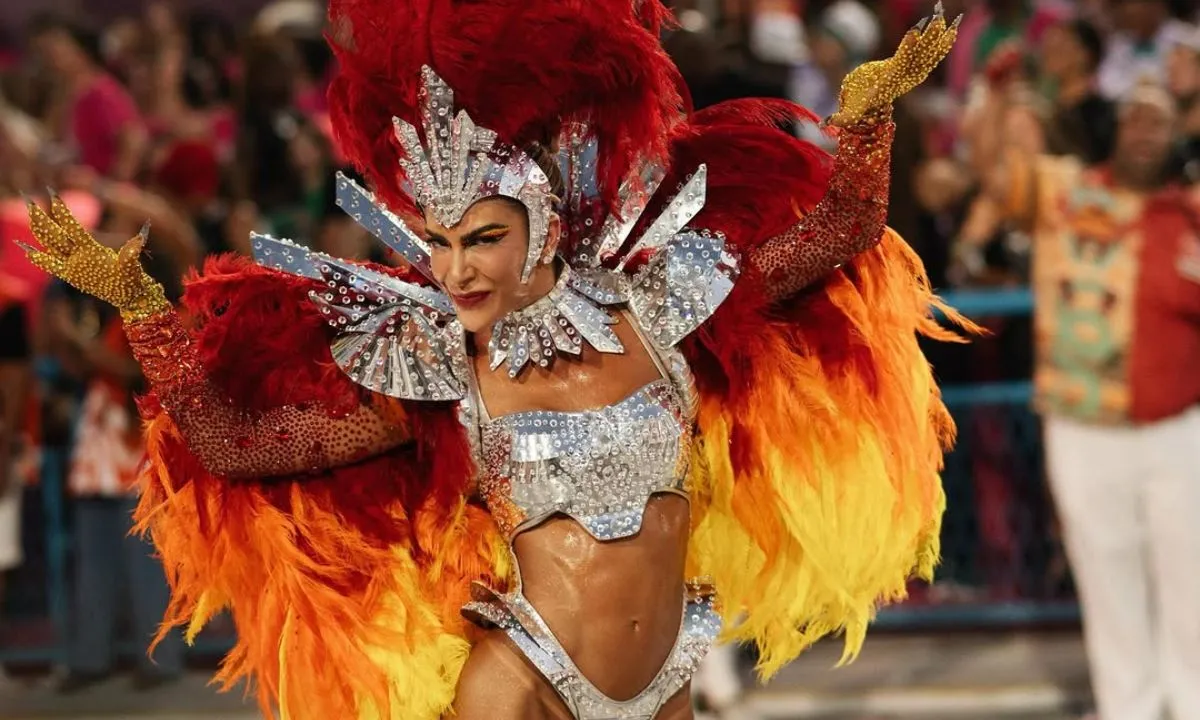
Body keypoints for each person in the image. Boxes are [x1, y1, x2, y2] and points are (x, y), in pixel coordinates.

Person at [19, 1, 967, 718]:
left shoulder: (659, 307)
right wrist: (141, 309)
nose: (455, 270)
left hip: (668, 675)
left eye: (482, 240)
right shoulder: (439, 369)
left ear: (541, 230)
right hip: (526, 682)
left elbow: (839, 229)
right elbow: (239, 446)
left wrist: (867, 115)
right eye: (439, 244)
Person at [971, 79, 1200, 720]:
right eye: (1135, 118)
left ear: (1177, 136)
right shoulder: (1064, 191)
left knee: (1192, 580)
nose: (1145, 131)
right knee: (1106, 577)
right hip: (1082, 425)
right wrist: (993, 101)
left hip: (1179, 429)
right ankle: (1128, 708)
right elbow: (992, 174)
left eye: (1159, 121)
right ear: (1117, 130)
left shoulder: (1190, 214)